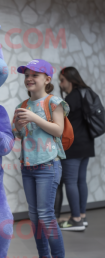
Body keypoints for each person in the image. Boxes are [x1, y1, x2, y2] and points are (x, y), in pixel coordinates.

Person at [12, 59, 69, 258]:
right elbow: (20, 134)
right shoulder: (23, 103)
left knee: (46, 216)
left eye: (35, 74)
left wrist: (34, 117)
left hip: (48, 165)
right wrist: (16, 127)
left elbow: (58, 129)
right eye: (26, 74)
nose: (29, 78)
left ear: (47, 79)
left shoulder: (54, 102)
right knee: (35, 219)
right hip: (28, 167)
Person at [56, 67, 95, 231]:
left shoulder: (71, 98)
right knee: (80, 181)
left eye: (62, 80)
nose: (60, 84)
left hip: (74, 145)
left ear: (70, 80)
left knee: (70, 181)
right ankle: (82, 216)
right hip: (87, 144)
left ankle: (76, 219)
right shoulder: (86, 92)